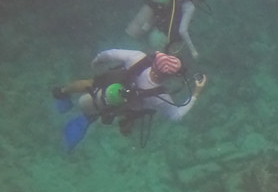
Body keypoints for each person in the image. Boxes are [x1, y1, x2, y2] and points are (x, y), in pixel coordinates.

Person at [52, 51, 207, 152]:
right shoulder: (160, 97)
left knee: (91, 83)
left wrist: (97, 60)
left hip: (109, 84)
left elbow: (109, 54)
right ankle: (89, 118)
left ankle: (62, 92)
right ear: (169, 77)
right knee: (125, 113)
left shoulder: (137, 58)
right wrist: (195, 93)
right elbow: (176, 116)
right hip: (124, 105)